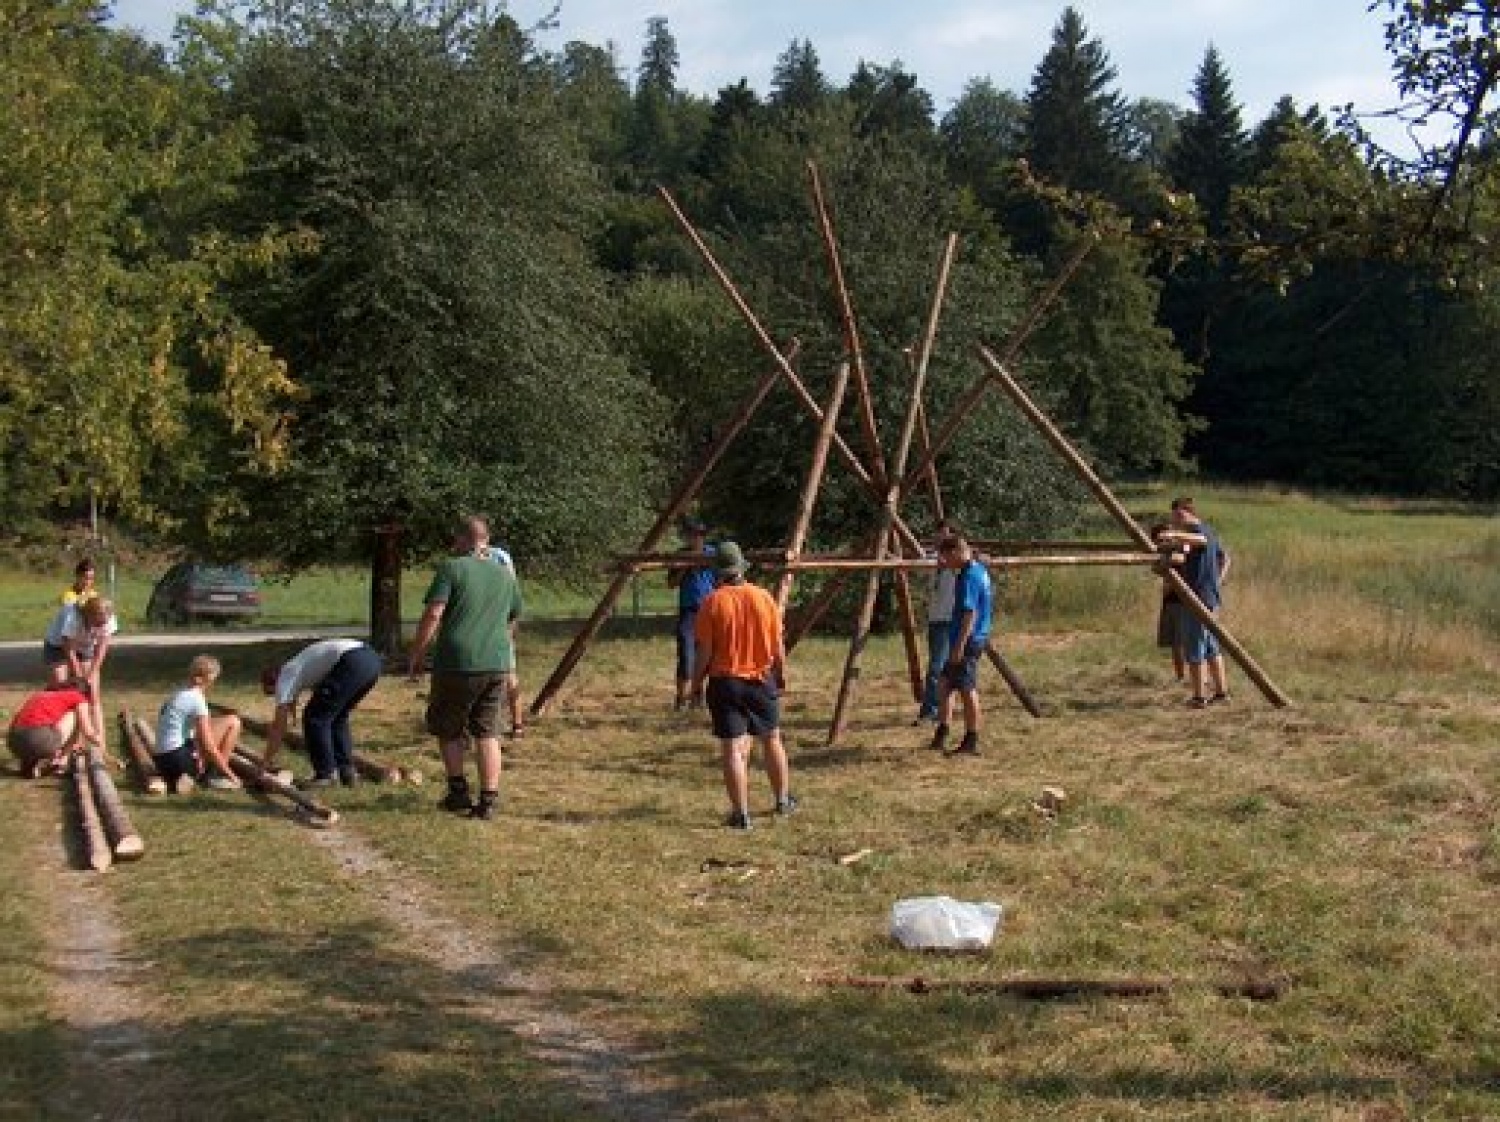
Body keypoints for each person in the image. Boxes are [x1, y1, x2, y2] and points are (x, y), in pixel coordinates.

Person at [408, 516, 524, 821]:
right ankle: (488, 800)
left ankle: (458, 792)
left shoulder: (452, 568)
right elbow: (513, 617)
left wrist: (417, 654)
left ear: (461, 539)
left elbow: (434, 613)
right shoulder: (504, 574)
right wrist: (501, 644)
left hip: (457, 661)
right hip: (497, 661)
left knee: (449, 727)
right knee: (487, 731)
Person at [689, 541, 795, 830]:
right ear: (741, 569)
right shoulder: (764, 598)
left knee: (733, 749)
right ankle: (782, 800)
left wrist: (696, 684)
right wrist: (781, 673)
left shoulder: (712, 602)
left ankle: (741, 814)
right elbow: (777, 645)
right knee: (772, 739)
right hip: (761, 680)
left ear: (717, 573)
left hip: (725, 683)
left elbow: (705, 653)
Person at [260, 639, 383, 787]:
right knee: (337, 717)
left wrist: (266, 760)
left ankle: (326, 774)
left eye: (272, 693)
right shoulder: (299, 667)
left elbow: (279, 727)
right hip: (371, 660)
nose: (277, 697)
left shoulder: (285, 678)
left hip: (351, 660)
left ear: (273, 682)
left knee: (315, 718)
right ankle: (347, 772)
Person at [1158, 497, 1232, 708]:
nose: (1174, 520)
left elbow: (1202, 542)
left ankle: (1199, 697)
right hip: (1209, 597)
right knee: (1210, 647)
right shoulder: (1206, 532)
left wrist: (1173, 534)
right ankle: (1221, 693)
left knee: (1195, 647)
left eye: (1175, 516)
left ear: (1183, 513)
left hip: (1197, 599)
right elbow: (1217, 555)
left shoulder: (1201, 533)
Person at [930, 533, 993, 756]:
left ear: (956, 551)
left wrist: (958, 647)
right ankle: (942, 731)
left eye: (946, 557)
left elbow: (969, 613)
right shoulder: (976, 569)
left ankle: (971, 740)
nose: (945, 562)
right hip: (969, 638)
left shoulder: (968, 578)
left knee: (967, 689)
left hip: (968, 640)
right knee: (945, 683)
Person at [466, 515, 524, 737]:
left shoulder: (499, 557)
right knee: (499, 674)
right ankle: (492, 723)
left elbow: (511, 590)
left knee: (506, 673)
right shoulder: (491, 557)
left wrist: (511, 626)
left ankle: (516, 724)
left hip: (497, 622)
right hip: (489, 622)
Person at [154, 655, 243, 793]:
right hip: (179, 763)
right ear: (205, 678)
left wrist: (198, 751)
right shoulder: (196, 698)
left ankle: (205, 771)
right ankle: (215, 775)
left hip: (162, 762)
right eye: (213, 677)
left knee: (214, 724)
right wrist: (231, 775)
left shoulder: (178, 692)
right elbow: (209, 746)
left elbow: (192, 734)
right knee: (233, 722)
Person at [668, 516, 716, 711]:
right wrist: (684, 567)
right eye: (691, 535)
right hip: (688, 611)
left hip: (709, 611)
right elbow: (671, 584)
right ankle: (681, 697)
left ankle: (698, 695)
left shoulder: (713, 554)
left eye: (698, 535)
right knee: (686, 654)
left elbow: (721, 580)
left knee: (706, 654)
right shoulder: (680, 555)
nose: (695, 539)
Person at [7, 680, 99, 779]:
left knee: (38, 727)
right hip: (37, 740)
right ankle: (61, 762)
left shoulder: (40, 695)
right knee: (76, 716)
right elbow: (88, 731)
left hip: (14, 743)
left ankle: (29, 767)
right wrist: (98, 741)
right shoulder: (77, 696)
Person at [916, 519, 959, 723]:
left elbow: (979, 559)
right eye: (938, 535)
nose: (940, 538)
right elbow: (917, 566)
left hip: (951, 619)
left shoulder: (959, 559)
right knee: (939, 666)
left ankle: (931, 710)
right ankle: (939, 707)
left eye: (945, 535)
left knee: (938, 667)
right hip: (936, 618)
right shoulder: (932, 558)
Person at [42, 595, 117, 687]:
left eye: (103, 623)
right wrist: (77, 672)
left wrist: (92, 672)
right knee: (60, 680)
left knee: (89, 677)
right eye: (97, 623)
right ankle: (49, 697)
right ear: (88, 616)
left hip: (85, 646)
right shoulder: (73, 618)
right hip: (58, 644)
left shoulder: (109, 618)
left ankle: (94, 701)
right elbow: (68, 647)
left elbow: (102, 648)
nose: (101, 626)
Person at [1149, 521, 1187, 683]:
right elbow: (1156, 568)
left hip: (1184, 602)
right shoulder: (1163, 555)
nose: (1164, 543)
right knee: (1175, 643)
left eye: (1166, 538)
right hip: (1170, 602)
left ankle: (1194, 677)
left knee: (1186, 642)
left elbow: (1180, 560)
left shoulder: (1182, 549)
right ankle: (1180, 677)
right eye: (1160, 540)